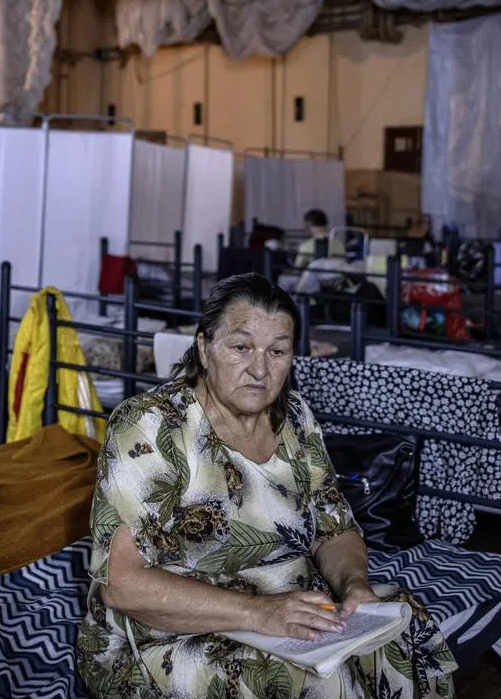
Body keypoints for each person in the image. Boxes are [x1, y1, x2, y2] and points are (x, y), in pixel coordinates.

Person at [76, 274, 456, 699]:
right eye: (240, 347)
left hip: (282, 604)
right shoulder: (151, 426)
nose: (260, 369)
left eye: (277, 351)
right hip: (165, 633)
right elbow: (123, 584)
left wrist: (353, 585)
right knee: (316, 681)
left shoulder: (294, 415)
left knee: (406, 629)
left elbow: (334, 528)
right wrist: (258, 613)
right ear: (204, 348)